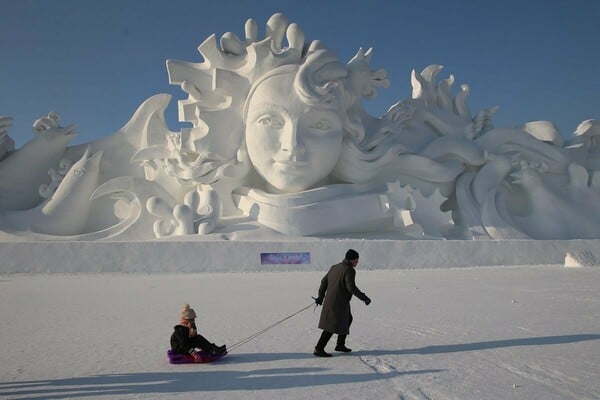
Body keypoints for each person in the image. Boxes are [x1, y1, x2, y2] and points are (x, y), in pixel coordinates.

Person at [313, 249, 371, 357]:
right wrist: (364, 298)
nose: (357, 263)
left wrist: (321, 296)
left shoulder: (335, 267)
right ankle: (319, 348)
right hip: (338, 303)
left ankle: (340, 345)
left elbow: (323, 281)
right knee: (331, 326)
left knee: (347, 319)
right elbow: (351, 287)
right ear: (352, 260)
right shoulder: (349, 270)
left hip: (333, 301)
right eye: (357, 260)